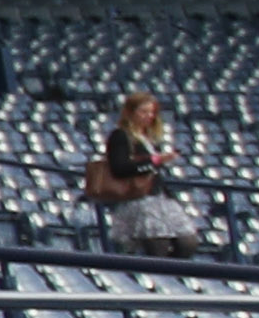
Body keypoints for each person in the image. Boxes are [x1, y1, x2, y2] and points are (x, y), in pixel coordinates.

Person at [84, 91, 202, 258]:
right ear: (130, 112)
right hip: (138, 199)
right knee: (158, 245)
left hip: (159, 196)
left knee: (187, 242)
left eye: (152, 112)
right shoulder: (121, 136)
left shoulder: (150, 138)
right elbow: (120, 169)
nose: (149, 116)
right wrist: (152, 162)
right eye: (143, 112)